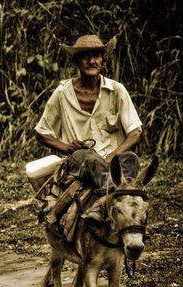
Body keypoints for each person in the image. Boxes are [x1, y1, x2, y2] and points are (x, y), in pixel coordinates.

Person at [34, 34, 143, 223]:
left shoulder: (117, 90)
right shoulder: (62, 93)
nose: (92, 60)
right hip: (79, 160)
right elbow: (41, 131)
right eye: (85, 56)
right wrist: (66, 148)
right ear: (76, 62)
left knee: (131, 158)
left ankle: (102, 201)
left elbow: (135, 133)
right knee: (89, 157)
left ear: (103, 61)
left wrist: (112, 156)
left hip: (112, 158)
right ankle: (107, 202)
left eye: (97, 56)